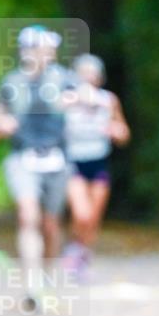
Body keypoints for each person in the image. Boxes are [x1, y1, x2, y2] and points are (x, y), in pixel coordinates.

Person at [0, 25, 76, 306]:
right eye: (43, 49)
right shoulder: (11, 82)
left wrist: (74, 102)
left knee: (51, 224)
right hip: (22, 156)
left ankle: (47, 277)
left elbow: (87, 99)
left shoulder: (65, 79)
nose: (48, 54)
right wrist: (2, 124)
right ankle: (32, 283)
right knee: (28, 217)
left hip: (56, 156)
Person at [62, 53, 130, 280]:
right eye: (84, 74)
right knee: (81, 213)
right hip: (73, 162)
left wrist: (115, 131)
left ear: (99, 78)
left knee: (93, 217)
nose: (88, 78)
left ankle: (83, 256)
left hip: (99, 161)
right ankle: (74, 248)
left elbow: (123, 134)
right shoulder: (66, 100)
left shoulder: (109, 101)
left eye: (92, 74)